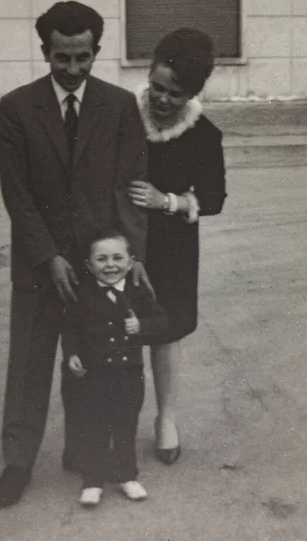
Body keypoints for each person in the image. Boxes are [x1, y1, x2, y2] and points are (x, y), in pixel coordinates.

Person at [0, 1, 149, 509]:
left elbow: (129, 187)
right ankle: (18, 460)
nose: (74, 69)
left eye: (84, 57)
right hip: (40, 265)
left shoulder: (121, 105)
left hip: (102, 264)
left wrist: (128, 256)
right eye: (63, 58)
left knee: (99, 362)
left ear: (96, 51)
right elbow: (17, 194)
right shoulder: (17, 108)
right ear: (46, 52)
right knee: (30, 361)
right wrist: (48, 256)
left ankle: (83, 454)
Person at [128, 28, 227, 465]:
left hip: (173, 245)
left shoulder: (205, 135)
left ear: (193, 93)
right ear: (148, 74)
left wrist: (166, 201)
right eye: (156, 87)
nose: (162, 100)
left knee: (165, 330)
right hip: (119, 239)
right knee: (116, 326)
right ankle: (113, 420)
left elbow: (214, 199)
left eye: (175, 93)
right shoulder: (122, 115)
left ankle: (166, 418)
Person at [63, 229, 170, 507]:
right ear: (88, 265)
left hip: (129, 376)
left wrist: (142, 326)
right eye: (101, 259)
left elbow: (162, 321)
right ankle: (93, 480)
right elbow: (71, 327)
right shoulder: (83, 294)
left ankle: (126, 476)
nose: (110, 265)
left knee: (125, 426)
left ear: (131, 260)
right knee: (95, 427)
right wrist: (71, 353)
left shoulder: (138, 292)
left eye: (117, 257)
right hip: (94, 377)